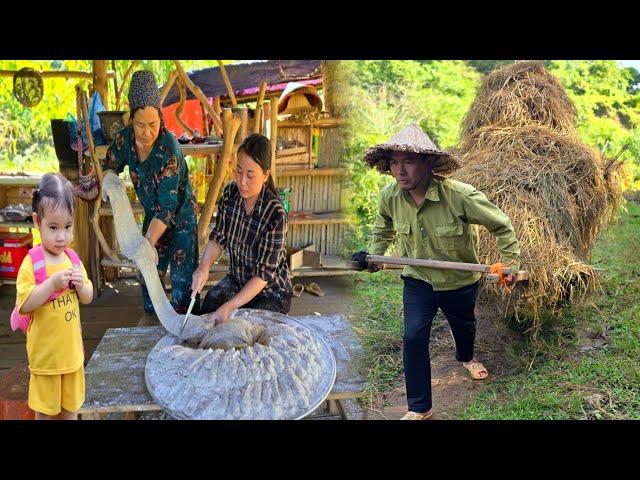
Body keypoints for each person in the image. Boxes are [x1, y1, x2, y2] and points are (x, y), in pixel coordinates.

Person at [353, 124, 521, 420]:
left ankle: (466, 357)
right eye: (393, 162)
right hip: (419, 280)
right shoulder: (390, 197)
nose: (399, 170)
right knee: (413, 337)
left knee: (464, 326)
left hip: (460, 282)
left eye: (408, 161)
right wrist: (374, 256)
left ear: (428, 163)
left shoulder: (459, 196)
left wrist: (509, 264)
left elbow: (501, 225)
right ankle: (420, 407)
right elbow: (383, 228)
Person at [103, 70, 199, 320]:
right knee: (148, 277)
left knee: (182, 286)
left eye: (153, 125)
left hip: (180, 218)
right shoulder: (124, 142)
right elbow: (109, 163)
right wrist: (110, 179)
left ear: (161, 118)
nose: (147, 133)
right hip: (153, 214)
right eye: (140, 125)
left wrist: (147, 243)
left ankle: (184, 331)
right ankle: (154, 325)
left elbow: (167, 208)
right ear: (130, 117)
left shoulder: (169, 148)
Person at [191, 133, 293, 324]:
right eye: (238, 171)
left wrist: (229, 307)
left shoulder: (275, 214)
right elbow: (219, 236)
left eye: (250, 175)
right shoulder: (230, 193)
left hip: (269, 292)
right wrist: (203, 266)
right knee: (210, 305)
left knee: (245, 326)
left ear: (265, 175)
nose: (242, 181)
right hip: (237, 281)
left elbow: (262, 276)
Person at [15, 173, 93, 420]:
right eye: (53, 227)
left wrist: (81, 286)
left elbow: (88, 297)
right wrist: (51, 284)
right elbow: (24, 305)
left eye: (67, 227)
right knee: (46, 414)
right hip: (46, 363)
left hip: (72, 358)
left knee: (71, 412)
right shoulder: (32, 263)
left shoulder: (72, 259)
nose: (61, 236)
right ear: (37, 222)